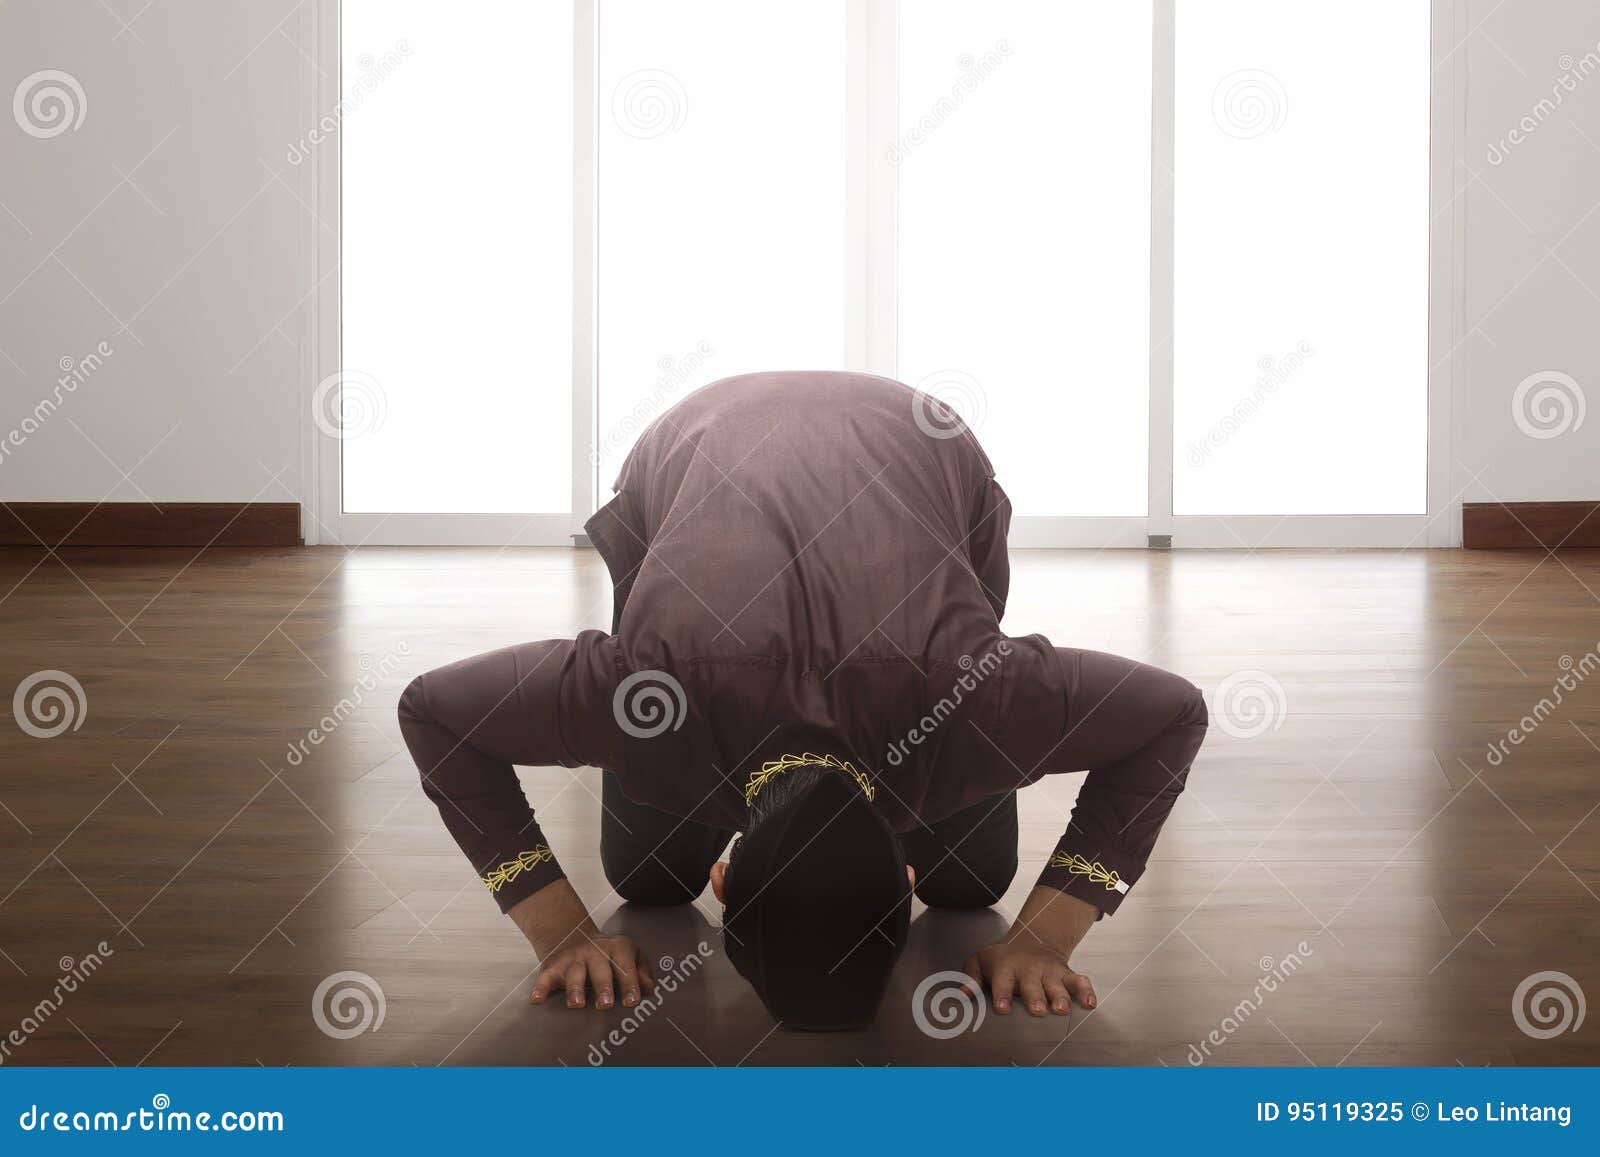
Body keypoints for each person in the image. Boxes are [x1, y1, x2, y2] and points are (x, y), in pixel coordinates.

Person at [398, 371, 1207, 1030]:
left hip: (918, 446)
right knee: (645, 874)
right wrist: (558, 931)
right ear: (723, 880)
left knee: (972, 881)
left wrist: (1044, 938)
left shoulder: (972, 693)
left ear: (723, 879)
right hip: (693, 449)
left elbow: (1173, 714)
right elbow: (433, 710)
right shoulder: (647, 689)